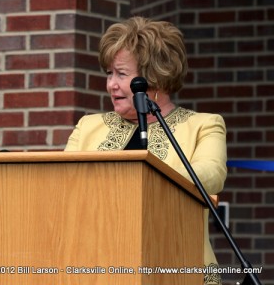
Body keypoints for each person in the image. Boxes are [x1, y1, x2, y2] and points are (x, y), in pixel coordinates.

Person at [65, 16, 226, 285]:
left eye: (122, 74)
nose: (111, 84)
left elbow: (210, 174)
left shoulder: (204, 125)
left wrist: (136, 182)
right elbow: (62, 187)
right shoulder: (88, 127)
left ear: (155, 78)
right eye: (109, 73)